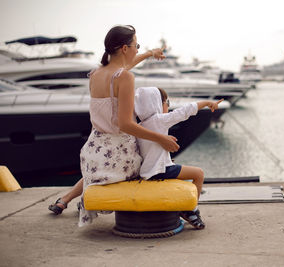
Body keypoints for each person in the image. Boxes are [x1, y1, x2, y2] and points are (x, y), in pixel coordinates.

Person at [48, 25, 179, 226]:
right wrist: (161, 138)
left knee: (101, 171)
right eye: (137, 45)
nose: (137, 49)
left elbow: (122, 69)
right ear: (125, 48)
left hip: (93, 151)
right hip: (120, 153)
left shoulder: (95, 74)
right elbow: (125, 124)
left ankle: (66, 199)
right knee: (149, 169)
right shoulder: (125, 77)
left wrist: (149, 53)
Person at [135, 86, 223, 229]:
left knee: (180, 167)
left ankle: (189, 209)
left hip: (147, 172)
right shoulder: (159, 120)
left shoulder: (140, 125)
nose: (167, 107)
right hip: (159, 172)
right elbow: (184, 111)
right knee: (198, 174)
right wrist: (207, 103)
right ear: (157, 103)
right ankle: (192, 210)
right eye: (166, 103)